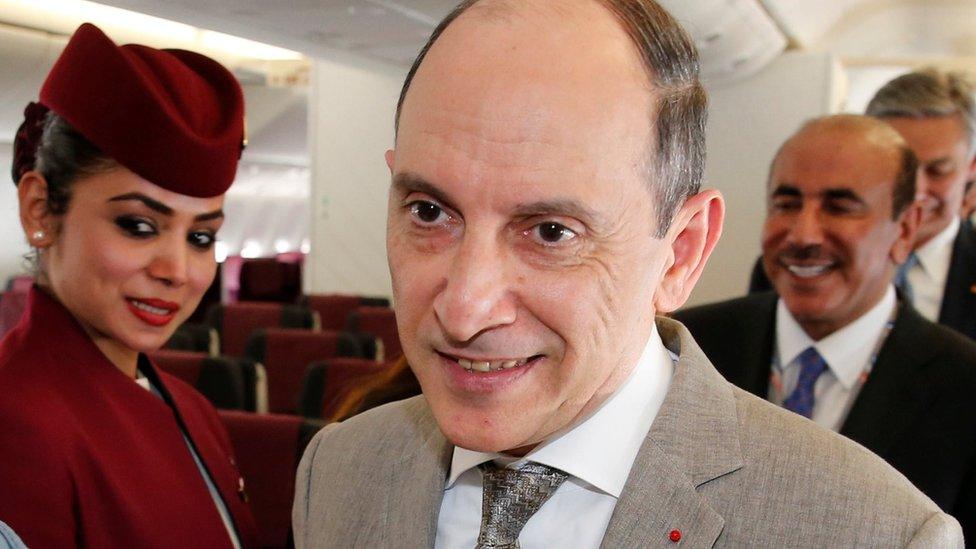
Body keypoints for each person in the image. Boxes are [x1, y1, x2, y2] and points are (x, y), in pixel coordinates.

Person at [292, 1, 962, 547]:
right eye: (430, 211)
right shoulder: (340, 470)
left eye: (550, 232)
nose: (465, 308)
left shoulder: (875, 532)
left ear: (681, 252)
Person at [0, 23, 258, 547]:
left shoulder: (194, 410)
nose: (178, 271)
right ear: (40, 211)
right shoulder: (14, 428)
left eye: (202, 237)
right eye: (139, 226)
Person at [675, 114, 976, 540]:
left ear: (905, 229)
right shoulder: (684, 349)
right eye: (787, 203)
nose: (802, 233)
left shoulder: (964, 389)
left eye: (839, 207)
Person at [866, 69, 976, 340]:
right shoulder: (804, 263)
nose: (915, 192)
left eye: (938, 171)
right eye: (898, 169)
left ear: (972, 166)